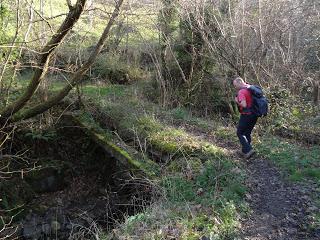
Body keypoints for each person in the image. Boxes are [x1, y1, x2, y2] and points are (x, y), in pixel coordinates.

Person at [232, 77, 258, 159]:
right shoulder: (250, 88)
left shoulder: (242, 92)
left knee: (240, 133)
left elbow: (244, 105)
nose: (235, 87)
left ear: (240, 83)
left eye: (235, 85)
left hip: (246, 114)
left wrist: (236, 101)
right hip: (254, 114)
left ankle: (249, 150)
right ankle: (245, 152)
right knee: (247, 133)